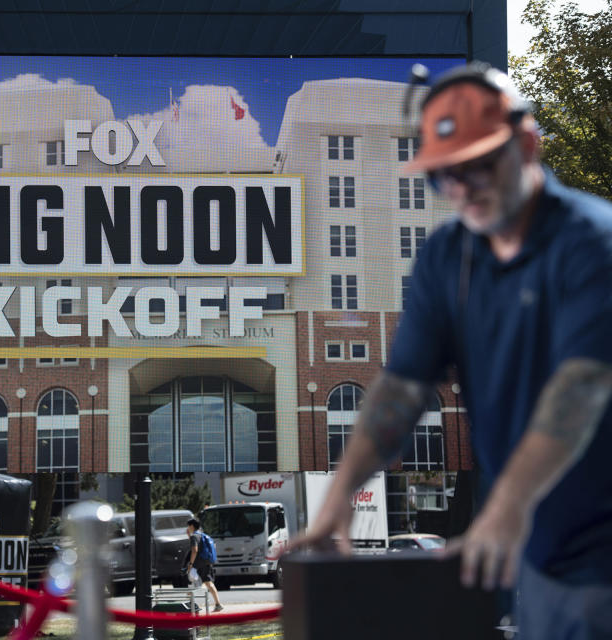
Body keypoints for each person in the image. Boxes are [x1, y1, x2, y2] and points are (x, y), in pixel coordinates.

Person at [289, 61, 612, 639]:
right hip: (538, 561)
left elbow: (580, 389)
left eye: (481, 164)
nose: (465, 190)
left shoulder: (593, 244)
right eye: (447, 177)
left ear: (528, 144)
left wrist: (507, 505)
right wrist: (339, 496)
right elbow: (402, 388)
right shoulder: (447, 255)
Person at [185, 518, 224, 612]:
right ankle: (217, 603)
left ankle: (189, 605)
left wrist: (191, 563)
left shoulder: (194, 536)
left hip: (198, 564)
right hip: (207, 562)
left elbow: (194, 550)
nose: (187, 528)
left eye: (188, 526)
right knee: (207, 582)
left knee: (192, 582)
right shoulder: (203, 535)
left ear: (192, 526)